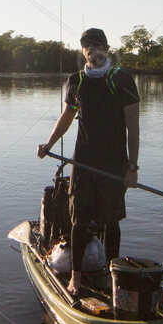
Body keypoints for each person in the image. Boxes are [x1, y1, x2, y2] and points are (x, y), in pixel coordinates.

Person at [37, 27, 139, 296]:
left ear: (107, 48)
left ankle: (110, 273)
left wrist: (133, 167)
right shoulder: (77, 81)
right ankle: (76, 277)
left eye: (96, 45)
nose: (91, 50)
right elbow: (67, 117)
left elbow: (133, 127)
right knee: (78, 220)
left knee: (111, 221)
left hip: (114, 163)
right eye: (86, 46)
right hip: (83, 162)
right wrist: (48, 144)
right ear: (82, 50)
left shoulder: (122, 79)